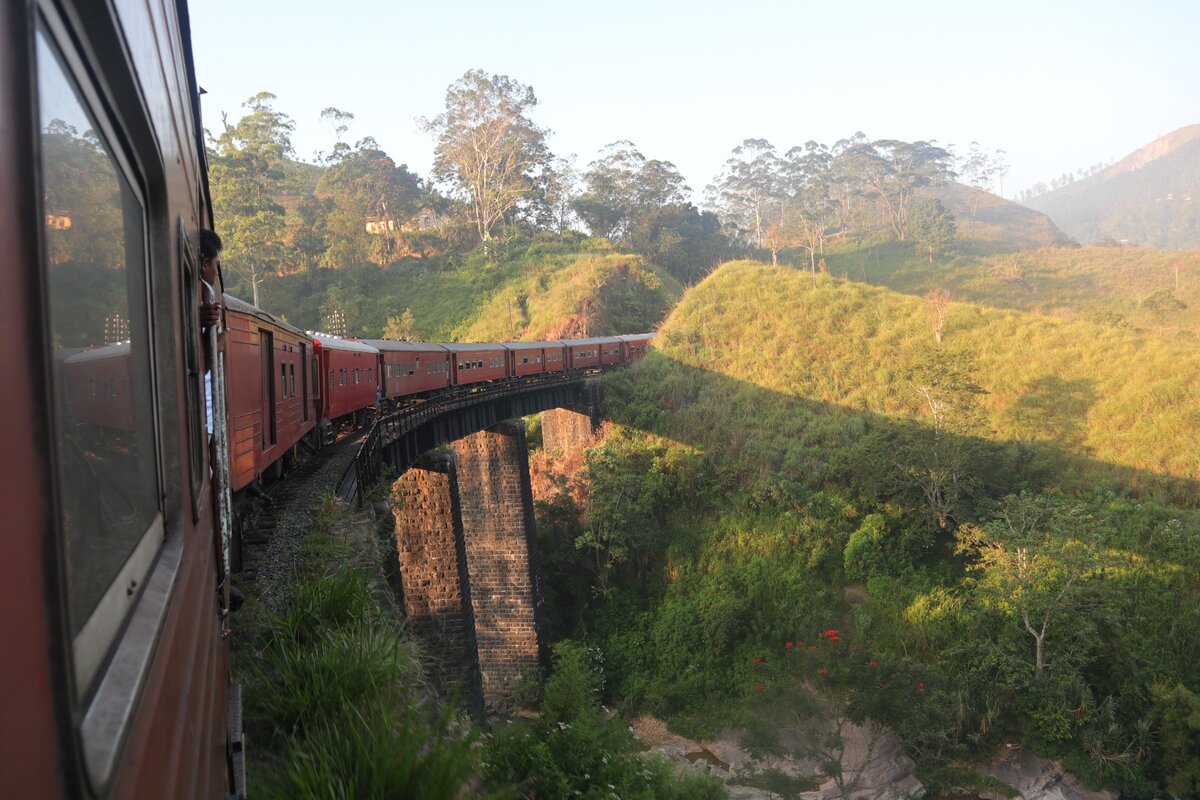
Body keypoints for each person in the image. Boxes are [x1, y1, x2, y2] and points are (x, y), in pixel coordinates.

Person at [199, 229, 223, 434]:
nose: (216, 271)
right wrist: (218, 342)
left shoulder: (205, 300)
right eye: (216, 265)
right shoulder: (203, 297)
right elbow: (201, 365)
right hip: (204, 417)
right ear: (204, 263)